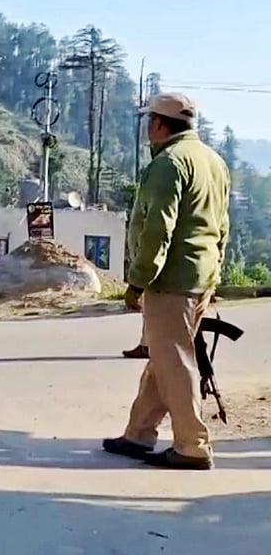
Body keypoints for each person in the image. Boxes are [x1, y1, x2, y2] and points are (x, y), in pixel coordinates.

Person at [103, 93, 230, 470]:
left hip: (171, 279)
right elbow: (222, 226)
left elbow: (158, 228)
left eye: (150, 120)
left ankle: (192, 445)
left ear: (158, 124)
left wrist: (138, 282)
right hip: (200, 275)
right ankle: (139, 433)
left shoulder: (169, 164)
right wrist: (215, 271)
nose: (148, 127)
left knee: (174, 362)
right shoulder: (213, 161)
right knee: (165, 356)